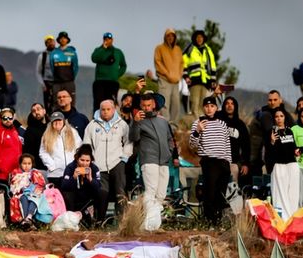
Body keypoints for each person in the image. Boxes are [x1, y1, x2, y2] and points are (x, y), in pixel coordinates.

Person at [130, 93, 178, 229]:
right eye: (144, 106)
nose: (146, 108)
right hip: (148, 160)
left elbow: (170, 138)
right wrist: (135, 122)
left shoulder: (163, 121)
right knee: (151, 192)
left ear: (154, 105)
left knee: (161, 194)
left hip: (164, 161)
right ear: (140, 106)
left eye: (149, 105)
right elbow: (133, 137)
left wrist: (169, 152)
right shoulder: (138, 120)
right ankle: (148, 224)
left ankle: (153, 223)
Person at [189, 96, 237, 224]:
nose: (209, 109)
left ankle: (218, 218)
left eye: (212, 106)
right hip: (209, 161)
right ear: (203, 107)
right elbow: (192, 145)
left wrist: (229, 162)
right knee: (210, 191)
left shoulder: (222, 124)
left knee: (221, 192)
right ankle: (209, 219)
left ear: (216, 108)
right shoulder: (198, 122)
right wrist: (198, 131)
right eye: (206, 106)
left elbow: (227, 144)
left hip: (223, 162)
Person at [83, 99, 132, 221]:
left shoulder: (122, 124)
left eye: (108, 109)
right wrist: (92, 162)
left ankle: (122, 221)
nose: (105, 112)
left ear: (114, 110)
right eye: (103, 110)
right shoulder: (92, 125)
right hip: (98, 165)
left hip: (117, 163)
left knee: (120, 192)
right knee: (101, 193)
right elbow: (87, 144)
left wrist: (124, 158)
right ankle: (100, 221)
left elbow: (129, 142)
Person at [265, 108, 300, 218]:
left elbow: (293, 148)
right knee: (280, 194)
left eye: (281, 116)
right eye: (276, 116)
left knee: (293, 193)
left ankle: (292, 217)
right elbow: (269, 152)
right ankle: (282, 218)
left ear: (285, 117)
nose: (279, 118)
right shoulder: (271, 132)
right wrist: (272, 141)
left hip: (292, 165)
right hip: (279, 166)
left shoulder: (290, 131)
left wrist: (297, 151)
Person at [60, 145, 105, 224]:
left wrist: (91, 179)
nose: (84, 163)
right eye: (82, 160)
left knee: (103, 193)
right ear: (77, 159)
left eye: (87, 161)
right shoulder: (70, 167)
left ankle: (99, 222)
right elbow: (64, 186)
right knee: (67, 193)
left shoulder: (94, 168)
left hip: (88, 199)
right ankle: (70, 220)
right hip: (75, 197)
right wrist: (73, 177)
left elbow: (98, 187)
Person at [39, 111, 82, 185]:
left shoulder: (72, 132)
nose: (57, 122)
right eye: (54, 121)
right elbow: (43, 152)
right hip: (55, 174)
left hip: (72, 173)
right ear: (51, 123)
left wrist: (76, 164)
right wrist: (52, 166)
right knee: (56, 195)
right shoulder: (46, 135)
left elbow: (80, 148)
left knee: (70, 195)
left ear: (64, 121)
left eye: (59, 120)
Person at [182, 30, 217, 119]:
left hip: (205, 81)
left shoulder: (208, 50)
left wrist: (213, 80)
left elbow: (212, 65)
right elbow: (182, 62)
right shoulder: (190, 48)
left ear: (203, 38)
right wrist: (186, 76)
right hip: (194, 80)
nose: (199, 39)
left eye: (201, 37)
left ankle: (202, 124)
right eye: (197, 37)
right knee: (195, 103)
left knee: (203, 104)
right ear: (194, 39)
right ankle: (195, 125)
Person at [38, 32, 79, 108]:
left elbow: (76, 67)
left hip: (69, 81)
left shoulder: (72, 52)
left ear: (67, 40)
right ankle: (57, 118)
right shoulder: (54, 52)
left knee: (71, 101)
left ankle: (71, 119)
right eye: (61, 38)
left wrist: (71, 77)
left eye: (64, 38)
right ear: (58, 40)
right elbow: (52, 67)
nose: (63, 40)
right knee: (56, 102)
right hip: (57, 82)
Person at [219, 97, 251, 187]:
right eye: (227, 103)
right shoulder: (218, 121)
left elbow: (246, 146)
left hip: (234, 162)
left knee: (232, 185)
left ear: (235, 106)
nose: (229, 106)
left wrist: (245, 164)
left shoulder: (240, 125)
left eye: (232, 104)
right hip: (218, 160)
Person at [90, 32, 127, 112]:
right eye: (105, 39)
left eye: (109, 39)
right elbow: (94, 58)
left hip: (112, 82)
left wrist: (116, 74)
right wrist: (103, 47)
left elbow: (123, 65)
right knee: (98, 104)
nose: (107, 41)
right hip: (100, 81)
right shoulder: (99, 50)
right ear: (103, 40)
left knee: (111, 103)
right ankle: (97, 121)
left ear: (112, 40)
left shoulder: (118, 52)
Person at [0, 106, 23, 188]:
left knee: (15, 199)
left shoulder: (15, 132)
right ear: (1, 118)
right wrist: (3, 169)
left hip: (16, 174)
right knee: (3, 198)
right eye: (5, 118)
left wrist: (19, 169)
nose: (8, 120)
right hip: (2, 175)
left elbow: (19, 150)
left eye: (10, 118)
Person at [153, 29, 183, 124]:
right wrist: (167, 74)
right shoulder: (159, 48)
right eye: (168, 36)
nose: (170, 38)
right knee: (164, 103)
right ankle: (164, 124)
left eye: (172, 36)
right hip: (164, 79)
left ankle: (174, 126)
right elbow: (157, 62)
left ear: (175, 37)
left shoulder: (178, 49)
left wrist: (179, 75)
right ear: (165, 37)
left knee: (176, 104)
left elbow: (182, 63)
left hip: (176, 81)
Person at [22, 103, 48, 168]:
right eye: (33, 111)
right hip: (38, 167)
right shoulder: (30, 130)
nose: (36, 112)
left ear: (44, 111)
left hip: (54, 167)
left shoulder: (51, 127)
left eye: (38, 109)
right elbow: (28, 152)